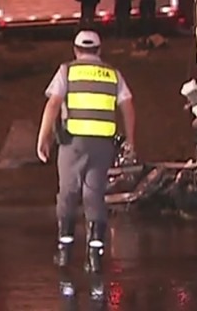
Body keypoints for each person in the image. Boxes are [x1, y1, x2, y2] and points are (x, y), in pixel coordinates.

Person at [35, 30, 136, 274]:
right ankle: (94, 256)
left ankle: (64, 251)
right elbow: (128, 106)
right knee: (94, 196)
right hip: (103, 145)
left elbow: (53, 104)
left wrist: (43, 137)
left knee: (68, 193)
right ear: (99, 50)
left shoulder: (67, 70)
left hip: (73, 144)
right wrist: (131, 140)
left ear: (76, 50)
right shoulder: (113, 74)